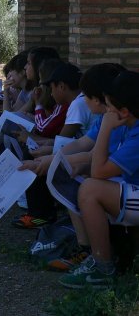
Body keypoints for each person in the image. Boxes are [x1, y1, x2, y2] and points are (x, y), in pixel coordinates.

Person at [59, 70, 139, 289]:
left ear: (123, 112)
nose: (107, 112)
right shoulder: (130, 126)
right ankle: (105, 256)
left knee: (90, 189)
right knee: (85, 180)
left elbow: (99, 172)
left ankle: (103, 268)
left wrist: (105, 127)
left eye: (110, 107)